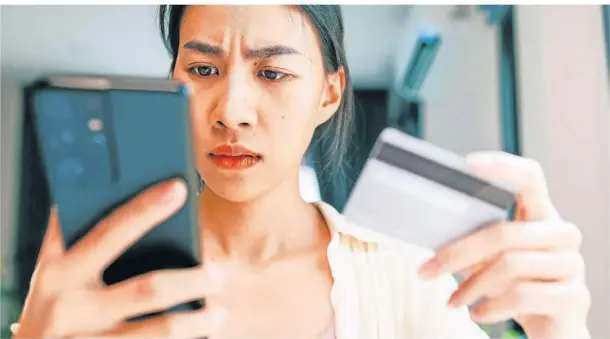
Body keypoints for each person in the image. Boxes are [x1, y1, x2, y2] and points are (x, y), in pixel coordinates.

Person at [12, 5, 590, 339]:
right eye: (204, 67)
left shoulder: (406, 275)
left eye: (272, 74)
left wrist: (560, 332)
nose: (231, 112)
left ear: (329, 93)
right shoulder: (100, 284)